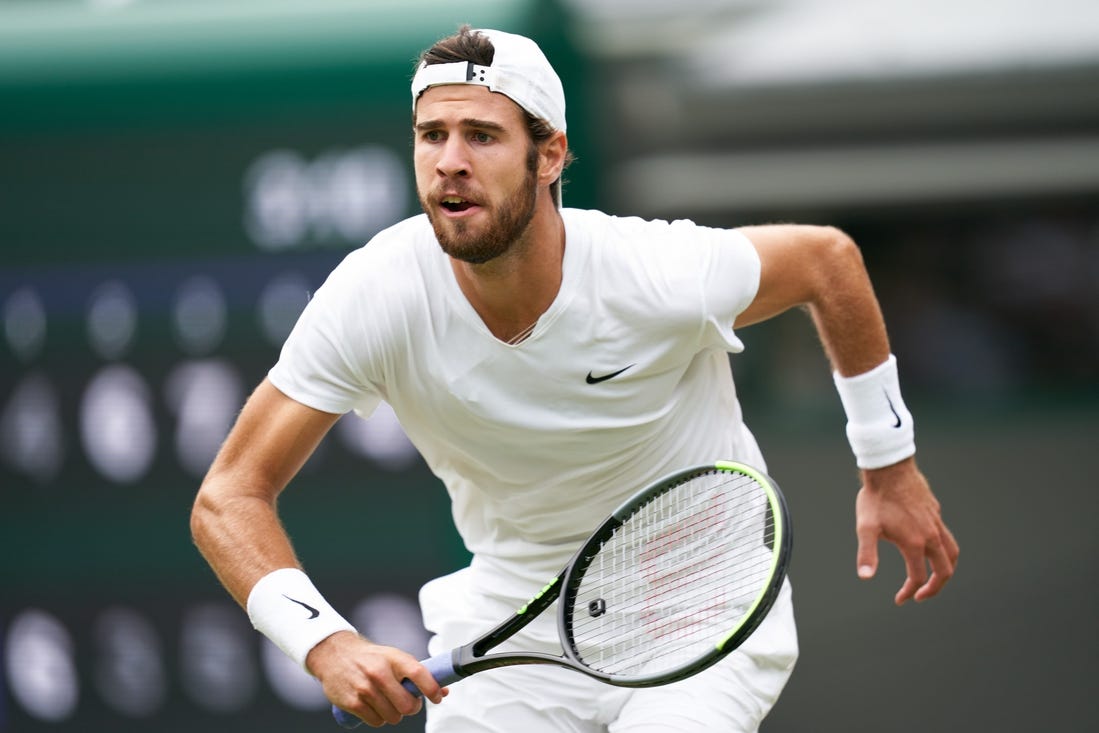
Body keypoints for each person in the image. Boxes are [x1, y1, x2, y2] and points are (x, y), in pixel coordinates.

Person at [191, 25, 959, 732]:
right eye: (432, 135)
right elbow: (228, 495)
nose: (449, 160)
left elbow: (826, 261)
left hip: (703, 604)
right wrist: (325, 644)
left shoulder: (652, 272)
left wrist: (888, 465)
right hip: (512, 622)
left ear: (550, 154)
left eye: (482, 135)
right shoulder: (375, 293)